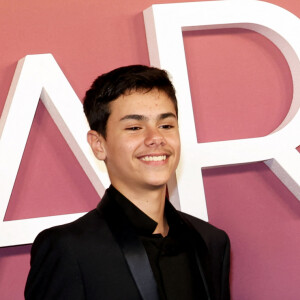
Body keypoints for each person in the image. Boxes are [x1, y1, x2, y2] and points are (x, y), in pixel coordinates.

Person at [25, 65, 230, 300]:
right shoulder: (69, 249)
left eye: (166, 125)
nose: (156, 138)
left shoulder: (211, 241)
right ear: (98, 144)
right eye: (134, 127)